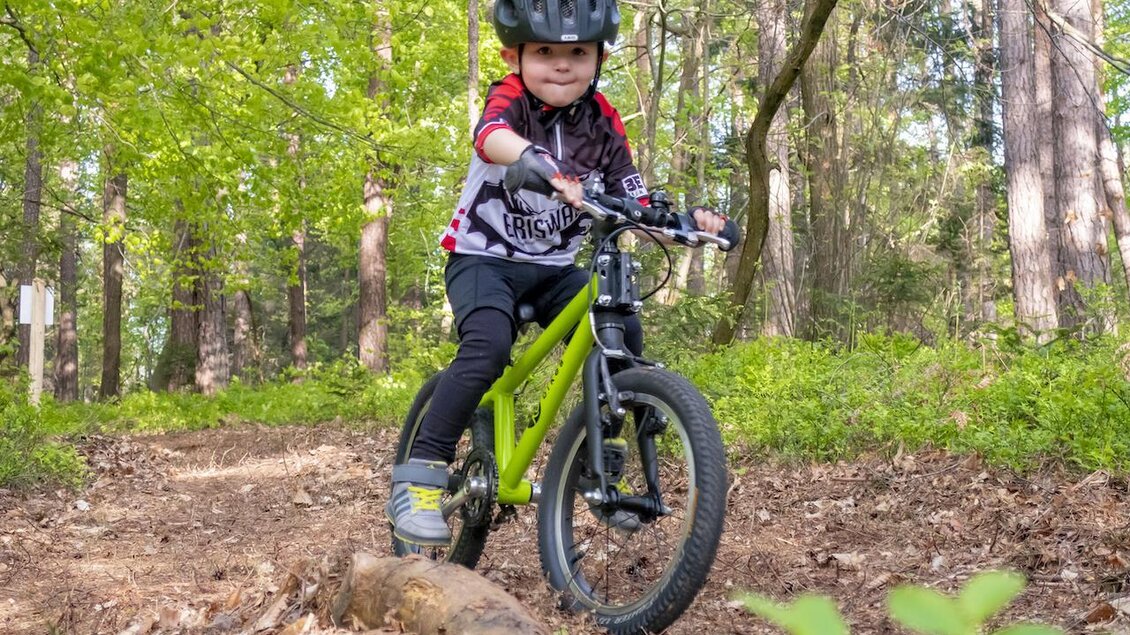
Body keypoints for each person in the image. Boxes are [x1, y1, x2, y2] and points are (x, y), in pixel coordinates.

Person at [386, 0, 726, 546]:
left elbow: (630, 196)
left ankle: (596, 464)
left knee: (621, 335)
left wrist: (684, 223)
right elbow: (489, 136)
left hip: (552, 270)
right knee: (487, 349)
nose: (561, 64)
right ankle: (420, 477)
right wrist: (541, 165)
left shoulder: (603, 120)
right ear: (513, 55)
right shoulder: (512, 100)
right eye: (544, 52)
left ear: (599, 56)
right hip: (482, 258)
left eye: (577, 52)